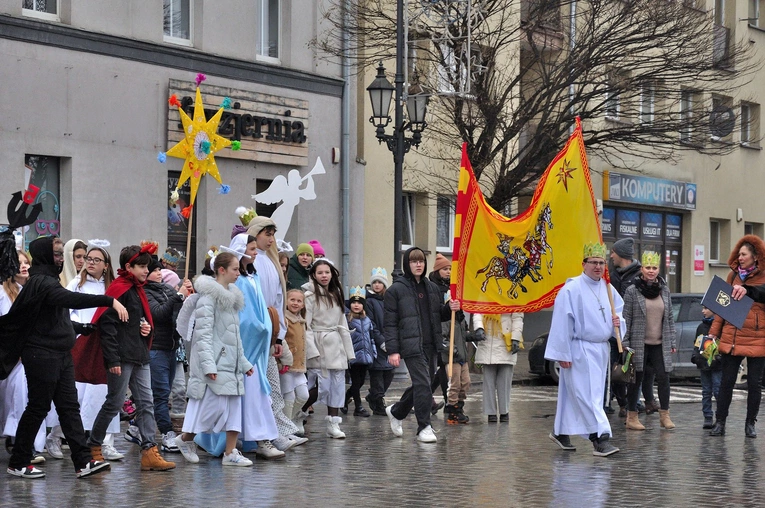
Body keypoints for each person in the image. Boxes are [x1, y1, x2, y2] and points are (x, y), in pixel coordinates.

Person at [1, 236, 126, 479]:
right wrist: (108, 300)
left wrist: (79, 329)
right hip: (41, 354)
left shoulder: (47, 281)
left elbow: (52, 317)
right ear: (46, 255)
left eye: (61, 254)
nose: (62, 258)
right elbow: (69, 299)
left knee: (69, 407)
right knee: (38, 407)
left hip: (59, 353)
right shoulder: (41, 282)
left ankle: (82, 461)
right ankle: (18, 461)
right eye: (57, 254)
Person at [85, 245, 175, 471]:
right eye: (142, 266)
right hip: (122, 357)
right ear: (129, 267)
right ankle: (94, 446)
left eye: (147, 266)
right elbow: (107, 325)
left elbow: (135, 319)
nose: (147, 270)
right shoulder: (120, 289)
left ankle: (149, 450)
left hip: (139, 355)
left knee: (147, 403)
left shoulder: (137, 288)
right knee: (114, 403)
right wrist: (113, 360)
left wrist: (143, 327)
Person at [174, 252, 254, 467]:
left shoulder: (232, 298)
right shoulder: (208, 298)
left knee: (235, 410)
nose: (239, 273)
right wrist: (209, 364)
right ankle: (185, 440)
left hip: (232, 365)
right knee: (211, 409)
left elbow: (233, 337)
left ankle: (230, 453)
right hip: (215, 364)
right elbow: (203, 334)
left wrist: (243, 362)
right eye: (235, 269)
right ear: (222, 270)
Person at [545, 242, 624, 457]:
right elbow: (561, 322)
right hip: (579, 348)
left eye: (601, 263)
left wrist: (618, 323)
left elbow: (618, 312)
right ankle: (599, 437)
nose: (598, 267)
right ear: (584, 264)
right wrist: (562, 353)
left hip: (600, 349)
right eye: (593, 263)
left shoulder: (608, 288)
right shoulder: (571, 289)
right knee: (586, 395)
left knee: (582, 394)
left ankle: (560, 432)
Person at [53, 245, 123, 462]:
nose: (90, 263)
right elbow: (66, 313)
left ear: (106, 265)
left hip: (105, 344)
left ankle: (105, 441)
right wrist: (76, 330)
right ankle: (57, 436)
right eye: (88, 259)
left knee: (106, 393)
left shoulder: (112, 288)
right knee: (76, 394)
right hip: (80, 341)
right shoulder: (77, 285)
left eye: (95, 260)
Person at [384, 247, 456, 443]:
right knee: (424, 383)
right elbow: (390, 323)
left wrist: (449, 308)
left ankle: (397, 411)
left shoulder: (431, 287)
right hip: (411, 345)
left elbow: (438, 315)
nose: (418, 264)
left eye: (421, 261)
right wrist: (393, 350)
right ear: (407, 264)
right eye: (414, 261)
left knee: (422, 384)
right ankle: (424, 427)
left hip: (431, 344)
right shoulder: (395, 290)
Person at [247, 217, 305, 449]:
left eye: (272, 234)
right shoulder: (253, 263)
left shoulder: (270, 262)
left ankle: (279, 431)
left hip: (268, 330)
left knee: (272, 385)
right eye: (266, 234)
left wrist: (278, 334)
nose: (270, 239)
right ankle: (268, 435)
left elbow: (278, 301)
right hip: (255, 332)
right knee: (262, 386)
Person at [708, 235, 765, 438]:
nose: (740, 257)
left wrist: (748, 290)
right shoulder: (732, 277)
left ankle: (750, 423)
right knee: (726, 382)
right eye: (738, 254)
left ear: (755, 257)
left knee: (754, 384)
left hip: (757, 338)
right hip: (732, 337)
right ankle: (720, 422)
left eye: (744, 254)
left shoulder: (764, 276)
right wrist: (712, 334)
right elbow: (721, 308)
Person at [0, 251, 47, 463]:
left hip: (32, 354)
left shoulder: (33, 290)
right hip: (11, 358)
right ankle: (18, 440)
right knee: (18, 396)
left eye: (26, 262)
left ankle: (28, 443)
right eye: (18, 263)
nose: (24, 266)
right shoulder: (3, 293)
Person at [622, 251, 677, 431]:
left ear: (658, 269)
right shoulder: (632, 290)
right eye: (648, 267)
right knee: (635, 379)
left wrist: (673, 342)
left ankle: (665, 415)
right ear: (642, 269)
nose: (651, 271)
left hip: (660, 344)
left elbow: (669, 317)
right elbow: (626, 318)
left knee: (664, 377)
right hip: (638, 343)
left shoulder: (664, 290)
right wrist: (624, 342)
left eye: (654, 268)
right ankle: (632, 416)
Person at [145, 254, 192, 453]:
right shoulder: (145, 292)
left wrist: (186, 298)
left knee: (168, 390)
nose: (159, 273)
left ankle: (132, 427)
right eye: (155, 270)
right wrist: (178, 295)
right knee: (162, 393)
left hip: (172, 347)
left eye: (158, 270)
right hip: (156, 348)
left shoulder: (165, 289)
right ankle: (166, 433)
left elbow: (177, 316)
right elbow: (158, 314)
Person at [304, 259, 355, 438]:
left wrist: (348, 351)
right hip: (319, 343)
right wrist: (312, 350)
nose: (324, 276)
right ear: (313, 275)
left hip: (336, 344)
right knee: (320, 386)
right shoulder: (309, 296)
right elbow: (306, 325)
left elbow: (342, 323)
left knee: (337, 385)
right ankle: (298, 413)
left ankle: (334, 422)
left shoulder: (336, 294)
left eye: (327, 272)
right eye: (320, 273)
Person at [608, 237, 646, 416]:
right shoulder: (612, 273)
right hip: (613, 330)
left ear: (622, 254)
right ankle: (620, 403)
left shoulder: (639, 275)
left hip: (632, 332)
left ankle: (633, 404)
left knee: (631, 370)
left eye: (613, 251)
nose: (611, 255)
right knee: (615, 370)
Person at [429, 254, 470, 423]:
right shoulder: (433, 288)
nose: (448, 272)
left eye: (450, 269)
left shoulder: (452, 288)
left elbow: (460, 320)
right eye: (445, 269)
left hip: (458, 340)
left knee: (462, 381)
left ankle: (456, 407)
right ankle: (451, 408)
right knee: (451, 380)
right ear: (438, 271)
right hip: (445, 340)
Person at [473, 313, 524, 423]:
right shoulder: (484, 295)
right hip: (487, 342)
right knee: (488, 382)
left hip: (505, 342)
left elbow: (517, 318)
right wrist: (479, 327)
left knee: (505, 382)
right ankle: (491, 412)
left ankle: (504, 411)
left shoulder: (512, 297)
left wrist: (515, 337)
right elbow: (478, 311)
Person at [343, 286, 378, 417]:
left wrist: (373, 352)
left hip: (365, 356)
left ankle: (345, 398)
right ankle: (358, 407)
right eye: (353, 302)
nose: (356, 305)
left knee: (362, 381)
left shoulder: (367, 320)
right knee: (356, 382)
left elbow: (371, 337)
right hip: (353, 356)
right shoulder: (348, 320)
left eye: (359, 303)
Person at [364, 267, 394, 416]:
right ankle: (378, 403)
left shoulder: (389, 300)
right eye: (374, 282)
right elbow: (372, 324)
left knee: (389, 373)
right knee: (377, 375)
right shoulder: (369, 301)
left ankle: (373, 397)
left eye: (379, 282)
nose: (376, 285)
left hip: (390, 341)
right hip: (376, 344)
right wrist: (381, 341)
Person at [282, 289, 310, 435]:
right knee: (289, 397)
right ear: (286, 301)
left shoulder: (301, 321)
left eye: (299, 301)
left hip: (299, 366)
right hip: (287, 365)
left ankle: (288, 421)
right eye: (292, 300)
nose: (295, 303)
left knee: (304, 395)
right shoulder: (285, 319)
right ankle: (285, 430)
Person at [691, 306, 721, 429]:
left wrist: (720, 358)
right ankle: (708, 417)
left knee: (718, 390)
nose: (703, 311)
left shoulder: (721, 326)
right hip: (704, 364)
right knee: (706, 391)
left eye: (706, 308)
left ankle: (720, 417)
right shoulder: (701, 327)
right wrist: (695, 356)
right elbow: (697, 344)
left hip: (718, 365)